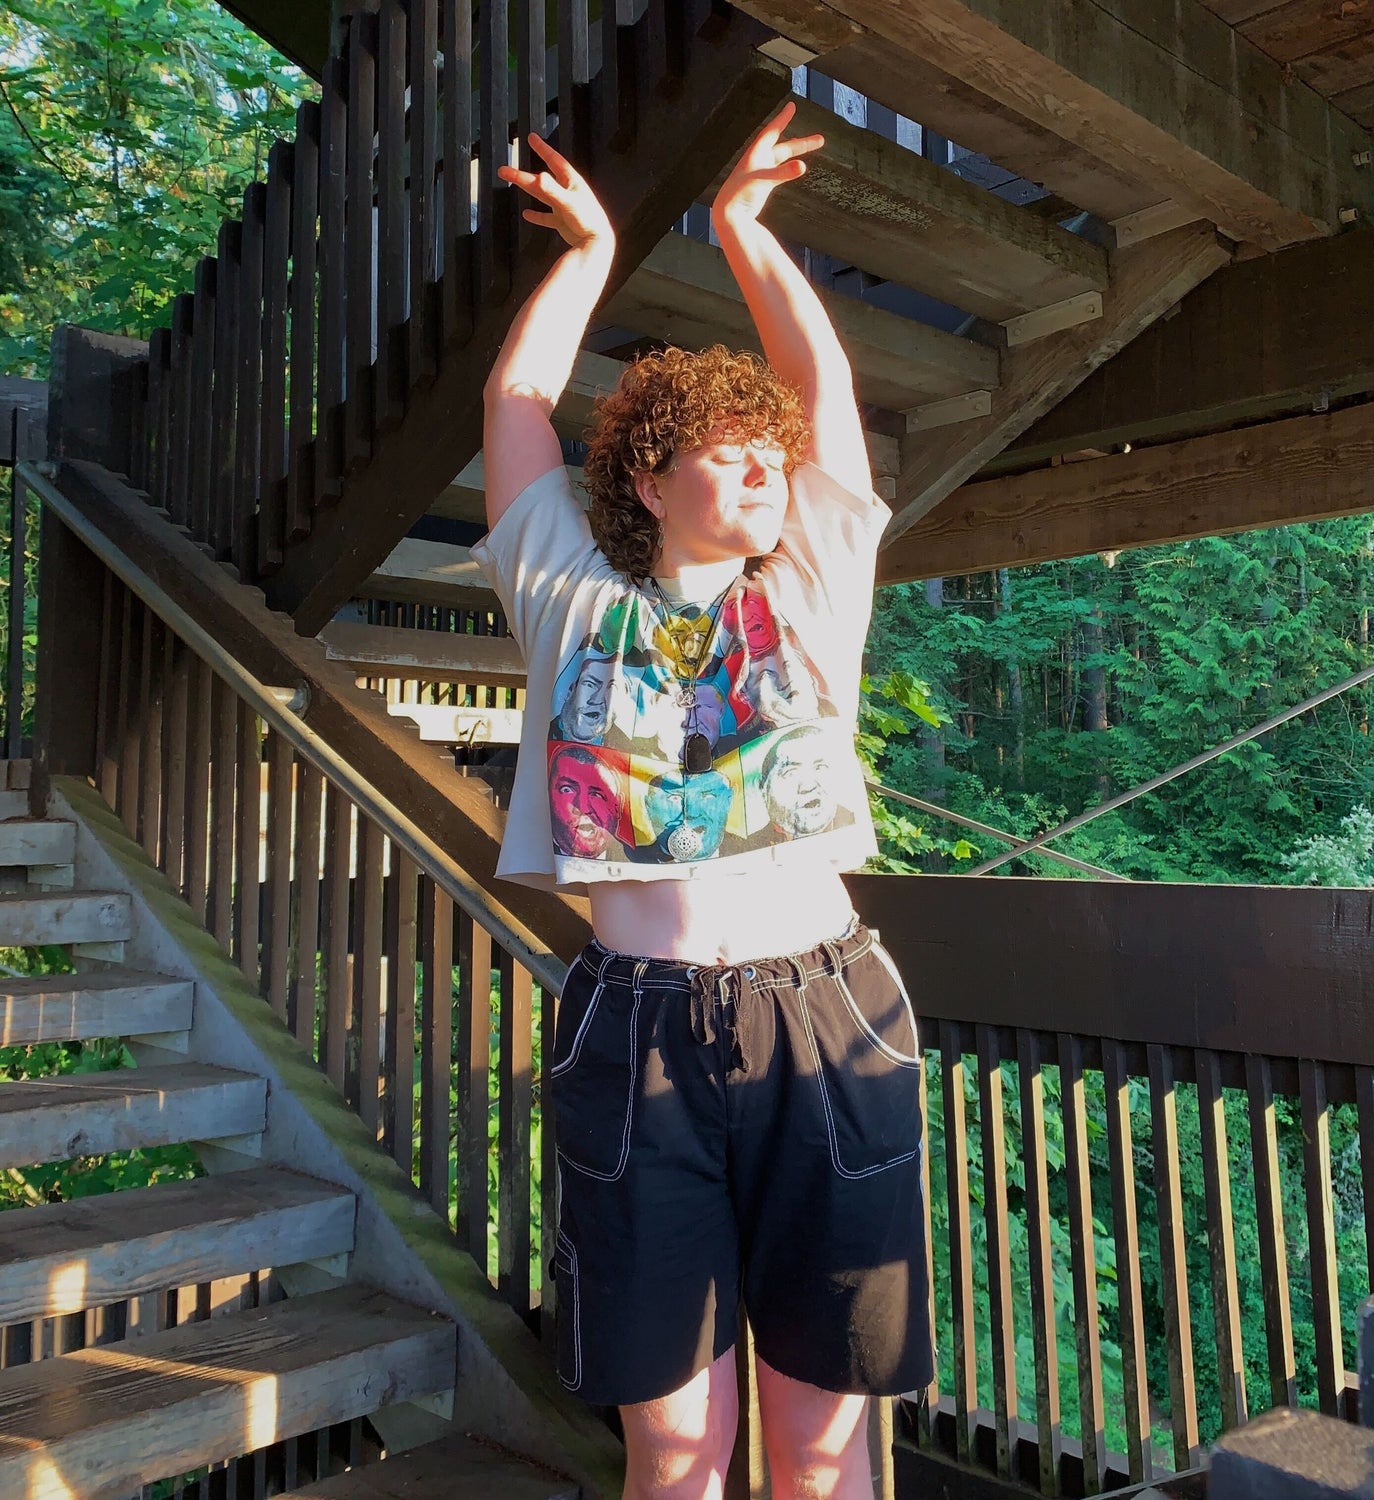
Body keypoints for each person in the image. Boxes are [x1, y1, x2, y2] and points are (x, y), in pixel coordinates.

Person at [471, 103, 933, 1500]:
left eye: (770, 455)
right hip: (638, 1033)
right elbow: (515, 404)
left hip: (827, 1015)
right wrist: (589, 253)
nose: (765, 469)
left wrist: (742, 231)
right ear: (648, 476)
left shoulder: (812, 586)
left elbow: (821, 387)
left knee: (822, 1440)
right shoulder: (566, 591)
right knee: (676, 1445)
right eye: (728, 451)